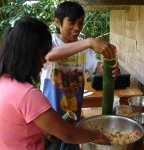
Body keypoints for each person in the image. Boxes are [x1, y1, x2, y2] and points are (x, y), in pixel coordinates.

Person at [0, 17, 111, 150]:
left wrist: (37, 127)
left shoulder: (1, 80)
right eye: (43, 54)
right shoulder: (27, 94)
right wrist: (97, 134)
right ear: (29, 54)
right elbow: (70, 135)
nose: (45, 60)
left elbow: (13, 124)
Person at [40, 1, 118, 150]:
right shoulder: (51, 42)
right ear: (57, 22)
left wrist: (111, 67)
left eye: (81, 23)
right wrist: (89, 42)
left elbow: (97, 67)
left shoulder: (84, 47)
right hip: (50, 118)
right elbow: (49, 56)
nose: (77, 28)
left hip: (74, 116)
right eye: (72, 23)